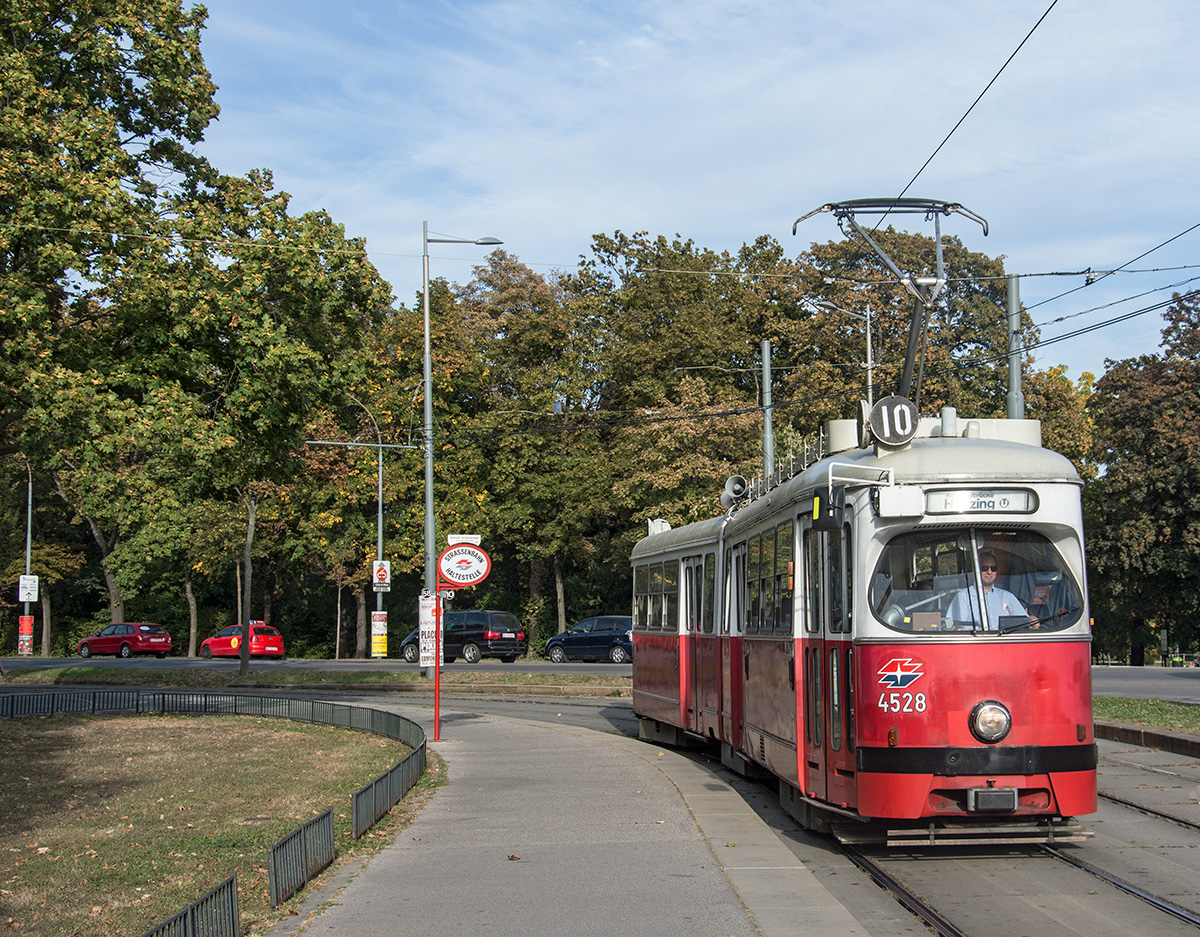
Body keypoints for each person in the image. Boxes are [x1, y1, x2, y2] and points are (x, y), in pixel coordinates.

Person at [946, 550, 1036, 629]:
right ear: (974, 569)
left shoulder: (1007, 597)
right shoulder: (963, 597)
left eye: (993, 568)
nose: (989, 572)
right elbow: (954, 629)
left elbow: (1024, 623)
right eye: (984, 568)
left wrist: (1032, 622)